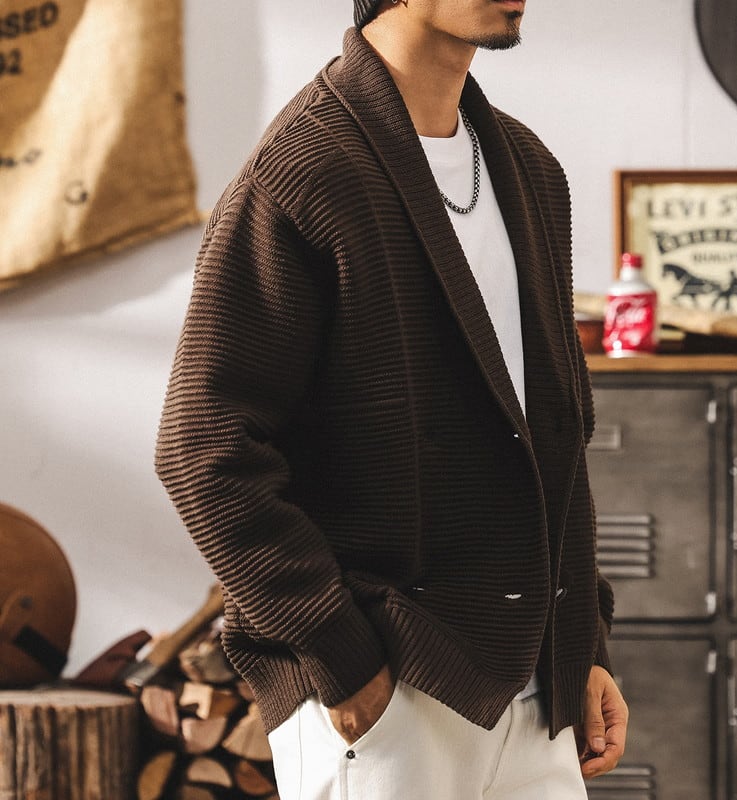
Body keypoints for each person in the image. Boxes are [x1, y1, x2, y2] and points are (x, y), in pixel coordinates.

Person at [156, 1, 628, 797]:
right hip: (391, 696)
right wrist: (342, 659)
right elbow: (203, 449)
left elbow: (554, 436)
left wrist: (585, 642)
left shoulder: (527, 168)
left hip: (537, 699)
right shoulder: (305, 168)